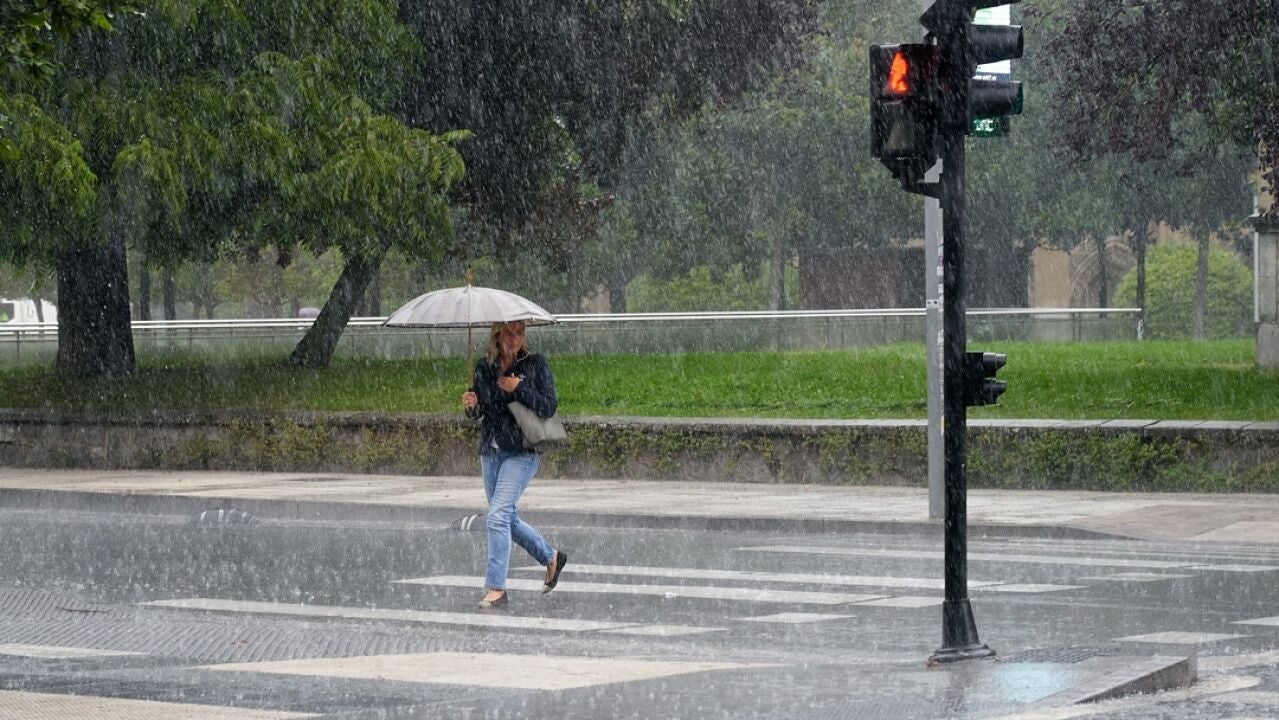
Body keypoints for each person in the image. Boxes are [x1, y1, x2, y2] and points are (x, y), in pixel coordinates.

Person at [461, 320, 568, 609]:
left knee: (497, 517)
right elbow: (483, 410)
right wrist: (472, 406)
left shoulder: (534, 364)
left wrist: (519, 387)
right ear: (498, 334)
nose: (515, 338)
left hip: (522, 450)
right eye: (510, 332)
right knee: (505, 517)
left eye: (520, 332)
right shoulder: (485, 367)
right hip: (491, 451)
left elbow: (548, 406)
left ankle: (496, 587)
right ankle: (551, 557)